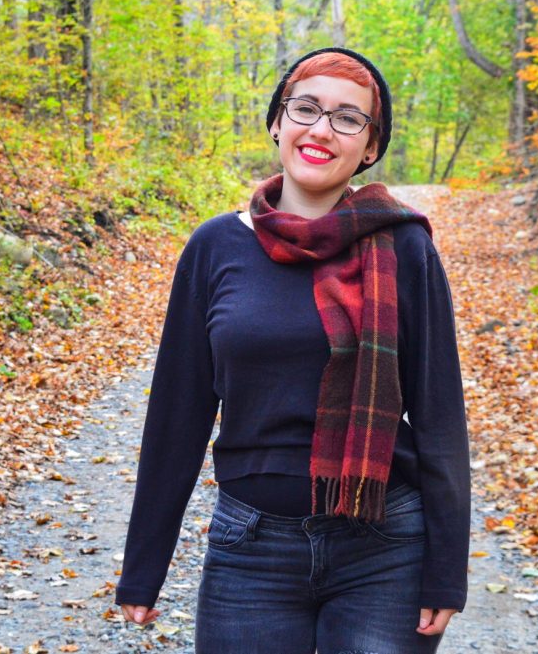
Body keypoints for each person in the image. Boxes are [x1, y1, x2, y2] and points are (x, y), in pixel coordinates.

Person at [114, 47, 470, 654]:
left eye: (347, 118)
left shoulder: (405, 248)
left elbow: (440, 417)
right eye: (306, 108)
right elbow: (178, 413)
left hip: (387, 550)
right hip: (249, 551)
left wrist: (446, 569)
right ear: (278, 122)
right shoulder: (215, 246)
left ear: (371, 146)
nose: (321, 130)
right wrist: (144, 565)